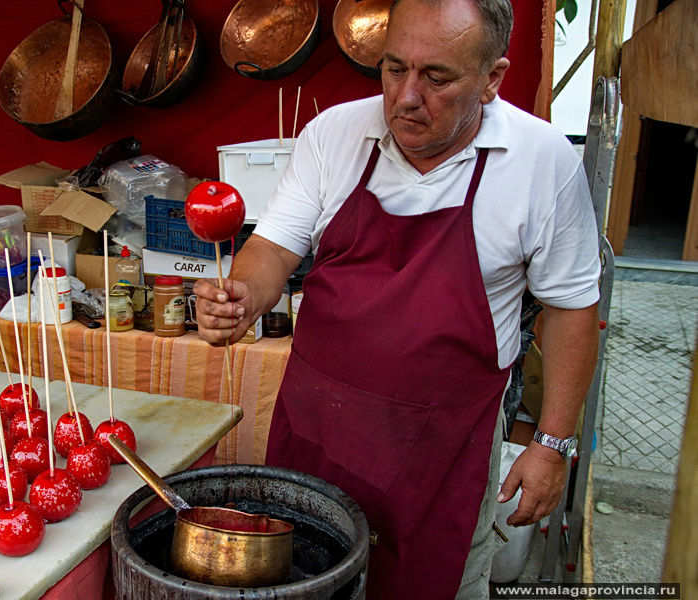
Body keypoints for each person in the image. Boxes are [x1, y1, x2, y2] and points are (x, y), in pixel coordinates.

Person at [194, 0, 600, 596]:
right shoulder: (334, 134)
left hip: (444, 447)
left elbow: (571, 313)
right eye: (392, 69)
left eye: (436, 77)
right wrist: (242, 296)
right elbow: (276, 249)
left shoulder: (542, 162)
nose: (406, 97)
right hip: (317, 427)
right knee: (304, 577)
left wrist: (552, 444)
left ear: (492, 78)